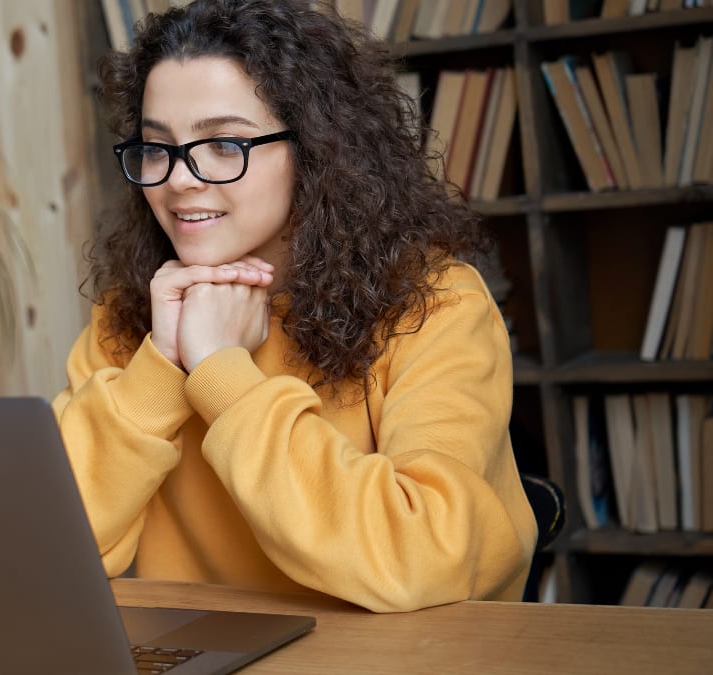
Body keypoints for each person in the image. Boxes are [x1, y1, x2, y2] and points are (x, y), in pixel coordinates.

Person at [51, 0, 536, 613]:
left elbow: (422, 557)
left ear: (315, 149)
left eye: (224, 143)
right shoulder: (132, 317)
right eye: (156, 148)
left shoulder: (436, 305)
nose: (179, 180)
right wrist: (162, 368)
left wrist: (222, 372)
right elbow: (46, 551)